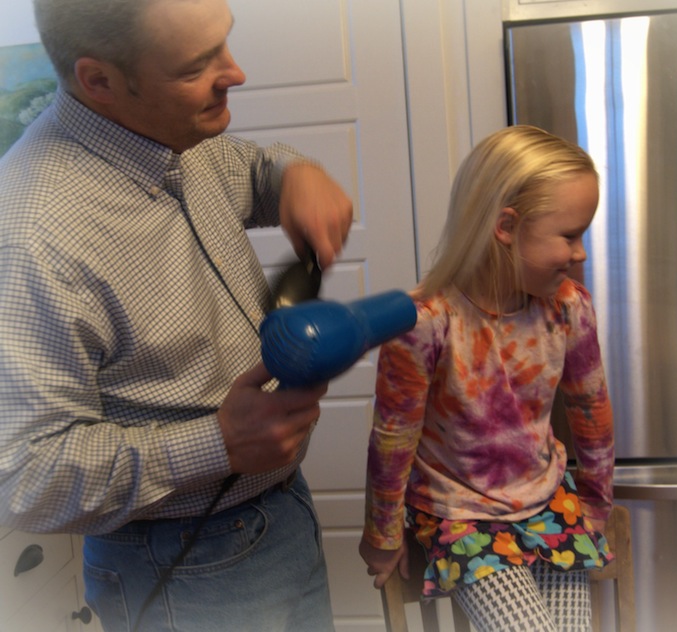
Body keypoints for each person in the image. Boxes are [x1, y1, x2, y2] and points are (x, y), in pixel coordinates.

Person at [0, 0, 352, 630]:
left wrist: (296, 172)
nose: (236, 73)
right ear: (99, 81)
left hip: (281, 516)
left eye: (225, 44)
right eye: (197, 65)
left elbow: (251, 169)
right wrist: (214, 444)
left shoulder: (173, 134)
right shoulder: (33, 236)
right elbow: (23, 475)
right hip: (183, 566)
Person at [359, 125, 615, 632]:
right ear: (506, 226)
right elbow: (394, 437)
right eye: (569, 235)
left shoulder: (568, 309)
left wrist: (594, 503)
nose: (580, 252)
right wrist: (383, 535)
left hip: (548, 500)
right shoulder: (425, 321)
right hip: (461, 513)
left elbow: (591, 411)